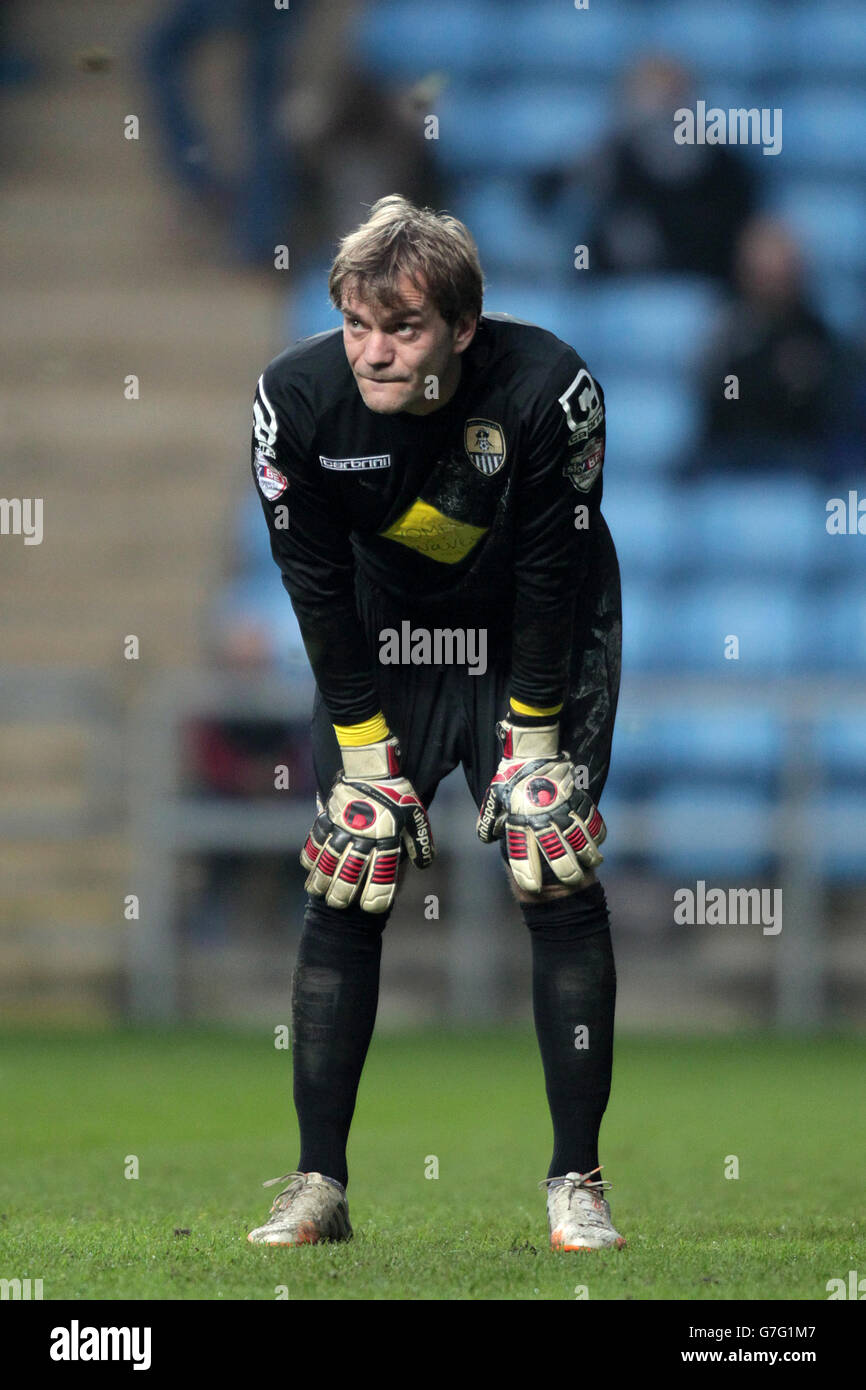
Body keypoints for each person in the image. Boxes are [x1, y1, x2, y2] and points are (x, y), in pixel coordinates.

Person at [245, 196, 624, 1252]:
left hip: (528, 633)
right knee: (347, 867)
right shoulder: (295, 399)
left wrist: (532, 732)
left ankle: (575, 1180)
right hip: (384, 639)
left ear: (461, 327)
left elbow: (555, 570)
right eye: (357, 324)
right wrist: (363, 754)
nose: (372, 350)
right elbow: (312, 584)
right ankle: (318, 1183)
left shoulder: (553, 388)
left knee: (550, 861)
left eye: (401, 327)